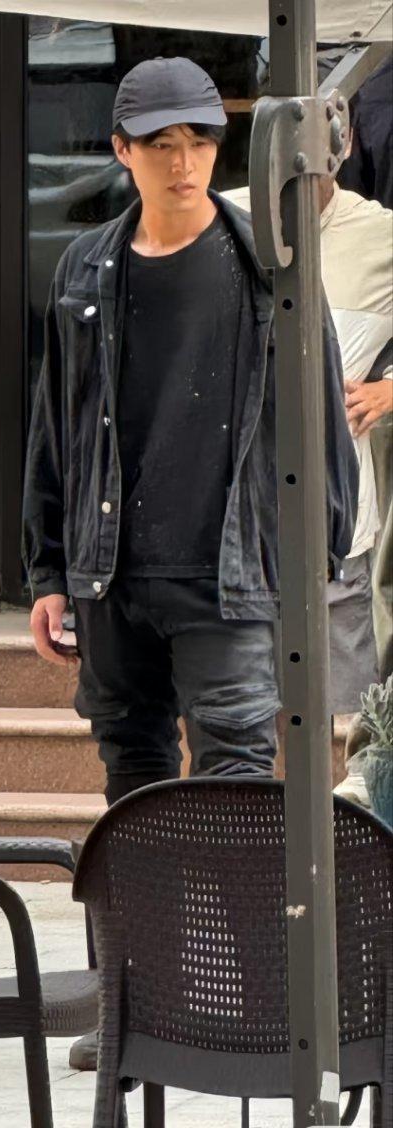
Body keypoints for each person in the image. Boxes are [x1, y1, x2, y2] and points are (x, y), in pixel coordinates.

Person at [23, 56, 358, 804]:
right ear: (122, 150)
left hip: (229, 576)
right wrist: (48, 573)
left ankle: (223, 895)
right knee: (130, 772)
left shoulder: (271, 264)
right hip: (112, 574)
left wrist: (322, 558)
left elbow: (322, 417)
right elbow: (58, 428)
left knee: (235, 770)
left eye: (200, 142)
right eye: (162, 144)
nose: (184, 163)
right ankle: (146, 895)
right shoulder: (85, 268)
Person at [225, 163, 392, 799]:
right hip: (230, 521)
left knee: (340, 717)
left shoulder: (380, 234)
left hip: (336, 520)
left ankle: (335, 848)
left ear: (339, 150)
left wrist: (389, 390)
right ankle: (254, 841)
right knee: (235, 709)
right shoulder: (217, 216)